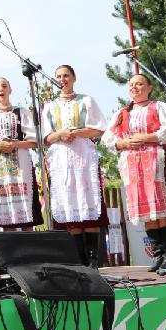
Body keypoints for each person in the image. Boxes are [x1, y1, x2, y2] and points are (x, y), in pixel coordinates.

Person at [102, 74, 166, 271]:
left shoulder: (159, 107)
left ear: (150, 87)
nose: (134, 87)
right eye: (131, 85)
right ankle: (157, 255)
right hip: (135, 167)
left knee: (165, 210)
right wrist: (123, 142)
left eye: (139, 83)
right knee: (147, 213)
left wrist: (146, 137)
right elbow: (107, 138)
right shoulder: (122, 113)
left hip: (158, 162)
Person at [42, 65, 107, 267]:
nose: (62, 79)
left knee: (87, 202)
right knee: (71, 206)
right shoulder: (49, 106)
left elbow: (99, 129)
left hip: (83, 157)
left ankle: (93, 259)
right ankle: (80, 259)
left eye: (66, 75)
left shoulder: (86, 100)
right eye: (59, 76)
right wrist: (60, 134)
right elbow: (45, 138)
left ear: (74, 78)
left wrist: (76, 132)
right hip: (62, 159)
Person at [0, 78, 42, 231]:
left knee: (28, 218)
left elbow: (34, 142)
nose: (1, 89)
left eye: (4, 86)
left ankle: (31, 251)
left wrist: (14, 144)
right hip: (1, 171)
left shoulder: (21, 112)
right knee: (7, 219)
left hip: (22, 168)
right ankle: (13, 252)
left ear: (10, 90)